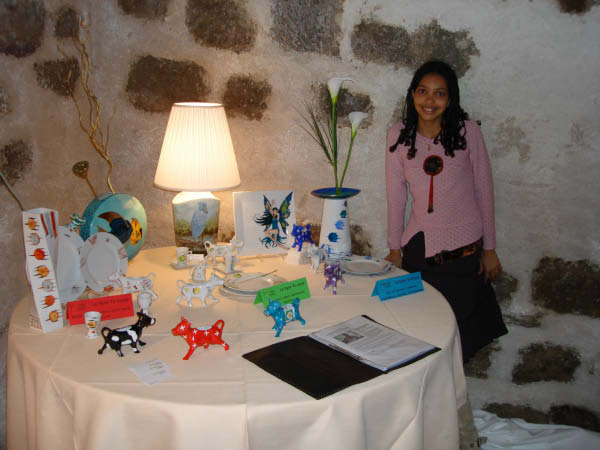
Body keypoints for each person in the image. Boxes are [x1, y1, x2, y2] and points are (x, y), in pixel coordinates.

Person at [385, 60, 507, 363]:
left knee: (459, 339)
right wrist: (394, 248)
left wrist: (490, 249)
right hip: (419, 250)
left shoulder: (468, 132)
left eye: (439, 93)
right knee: (420, 334)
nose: (430, 100)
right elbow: (396, 196)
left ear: (450, 98)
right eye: (422, 91)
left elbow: (484, 190)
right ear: (412, 94)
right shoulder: (398, 135)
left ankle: (451, 392)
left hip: (464, 255)